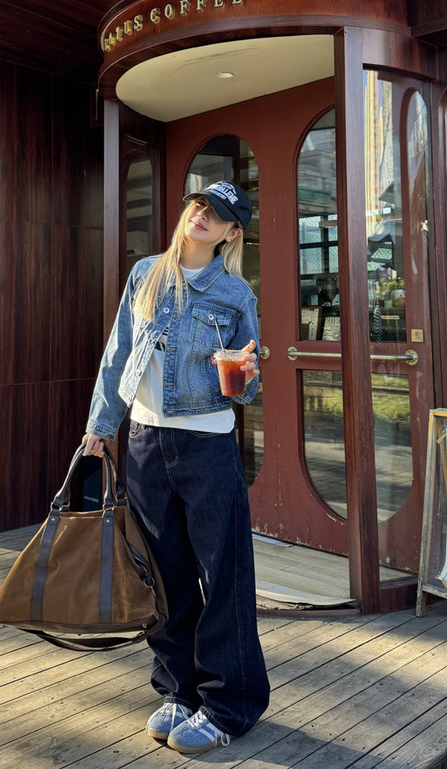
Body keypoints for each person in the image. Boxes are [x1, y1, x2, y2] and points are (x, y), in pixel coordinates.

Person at [82, 181, 270, 754]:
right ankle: (178, 689)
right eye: (199, 205)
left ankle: (231, 703)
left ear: (232, 233)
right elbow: (118, 352)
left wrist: (246, 376)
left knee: (223, 575)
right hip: (144, 442)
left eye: (218, 214)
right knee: (163, 575)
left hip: (207, 445)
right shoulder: (145, 275)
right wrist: (101, 425)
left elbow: (245, 384)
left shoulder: (236, 294)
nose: (202, 215)